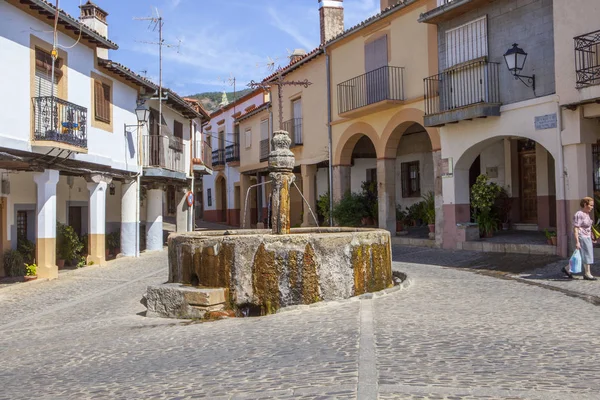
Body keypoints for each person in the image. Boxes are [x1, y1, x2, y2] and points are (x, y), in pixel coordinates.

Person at [562, 196, 597, 280]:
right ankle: (587, 273)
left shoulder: (587, 214)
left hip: (586, 237)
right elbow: (576, 228)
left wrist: (592, 236)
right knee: (586, 254)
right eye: (591, 205)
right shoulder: (579, 214)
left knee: (582, 255)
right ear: (585, 204)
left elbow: (587, 227)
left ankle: (567, 269)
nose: (592, 207)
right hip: (581, 237)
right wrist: (577, 241)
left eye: (592, 205)